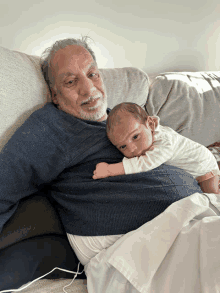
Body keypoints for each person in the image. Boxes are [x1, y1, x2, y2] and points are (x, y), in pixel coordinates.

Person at [0, 37, 203, 273]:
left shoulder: (121, 121)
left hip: (194, 213)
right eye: (71, 81)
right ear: (55, 96)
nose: (88, 89)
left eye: (92, 74)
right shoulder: (53, 127)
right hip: (153, 239)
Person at [93, 102, 220, 194]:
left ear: (150, 124)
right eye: (123, 146)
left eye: (135, 136)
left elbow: (145, 163)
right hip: (192, 168)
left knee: (212, 198)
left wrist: (109, 170)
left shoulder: (165, 142)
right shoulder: (147, 138)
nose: (132, 149)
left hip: (204, 167)